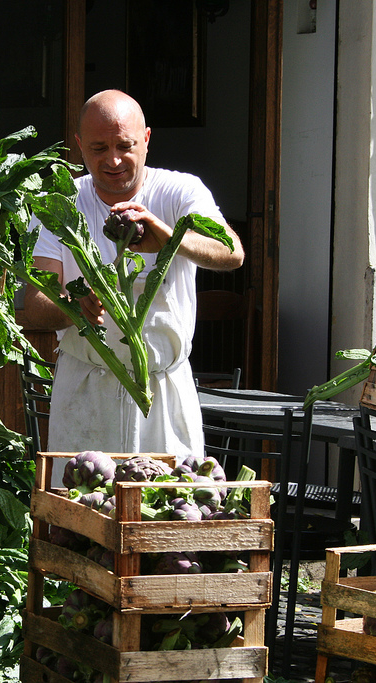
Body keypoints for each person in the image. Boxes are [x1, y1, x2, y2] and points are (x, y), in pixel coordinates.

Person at [22, 89, 245, 460]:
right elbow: (34, 305)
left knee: (165, 511)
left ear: (146, 139)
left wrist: (169, 238)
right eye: (97, 148)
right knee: (80, 508)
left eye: (124, 145)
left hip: (163, 390)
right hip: (86, 392)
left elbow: (232, 253)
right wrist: (74, 307)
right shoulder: (59, 205)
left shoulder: (180, 192)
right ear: (79, 146)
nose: (113, 160)